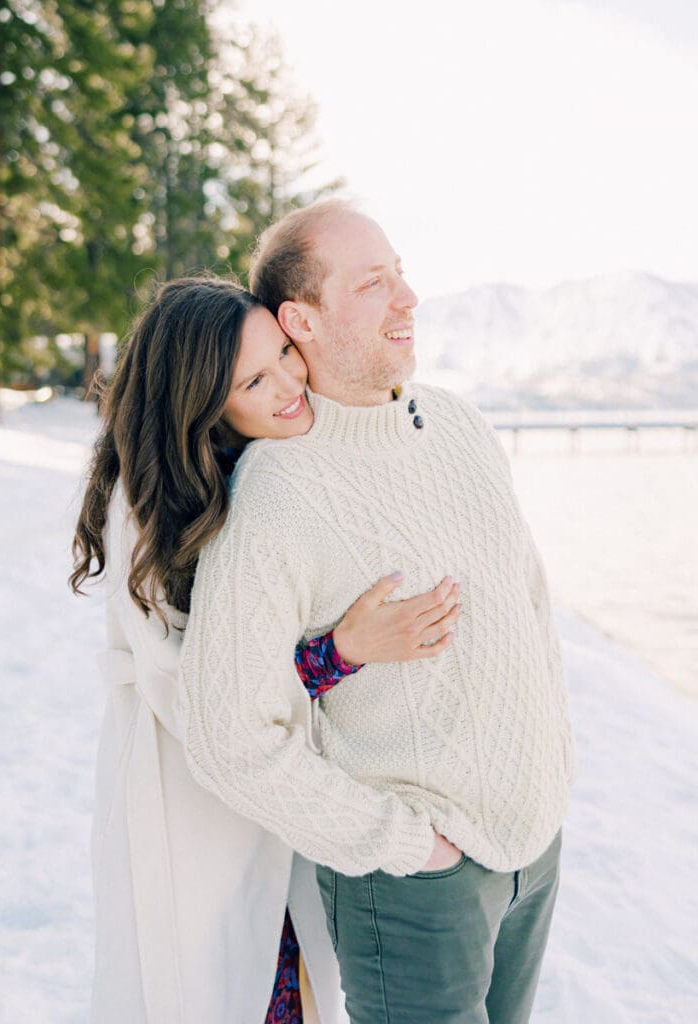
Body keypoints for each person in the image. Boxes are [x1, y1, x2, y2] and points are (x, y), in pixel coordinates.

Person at [178, 201, 576, 1023]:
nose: (409, 299)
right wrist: (407, 847)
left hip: (535, 846)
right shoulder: (276, 499)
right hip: (419, 887)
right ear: (304, 320)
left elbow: (530, 605)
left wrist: (552, 774)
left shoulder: (458, 425)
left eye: (400, 273)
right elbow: (229, 737)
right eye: (373, 283)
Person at [69, 276, 463, 1023]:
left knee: (289, 978)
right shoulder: (151, 508)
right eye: (254, 379)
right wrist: (342, 650)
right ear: (202, 402)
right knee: (213, 984)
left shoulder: (264, 463)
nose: (290, 384)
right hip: (188, 790)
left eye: (286, 353)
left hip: (276, 791)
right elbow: (200, 693)